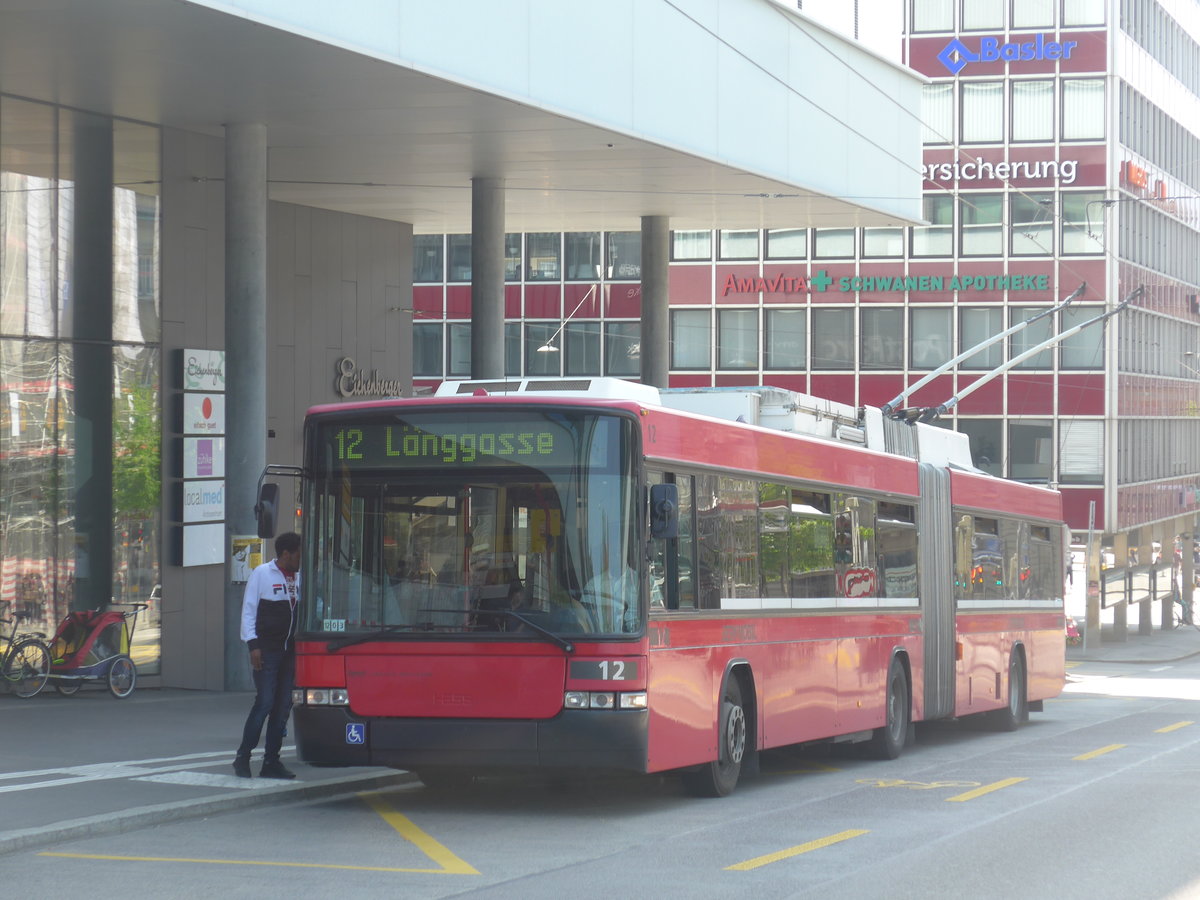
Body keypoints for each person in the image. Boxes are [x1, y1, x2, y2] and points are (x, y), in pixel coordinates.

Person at [234, 531, 301, 779]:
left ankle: (271, 761)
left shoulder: (300, 578)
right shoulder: (262, 573)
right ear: (286, 554)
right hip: (267, 650)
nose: (300, 559)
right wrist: (253, 646)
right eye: (298, 554)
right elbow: (249, 611)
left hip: (290, 652)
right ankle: (243, 757)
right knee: (264, 703)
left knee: (283, 706)